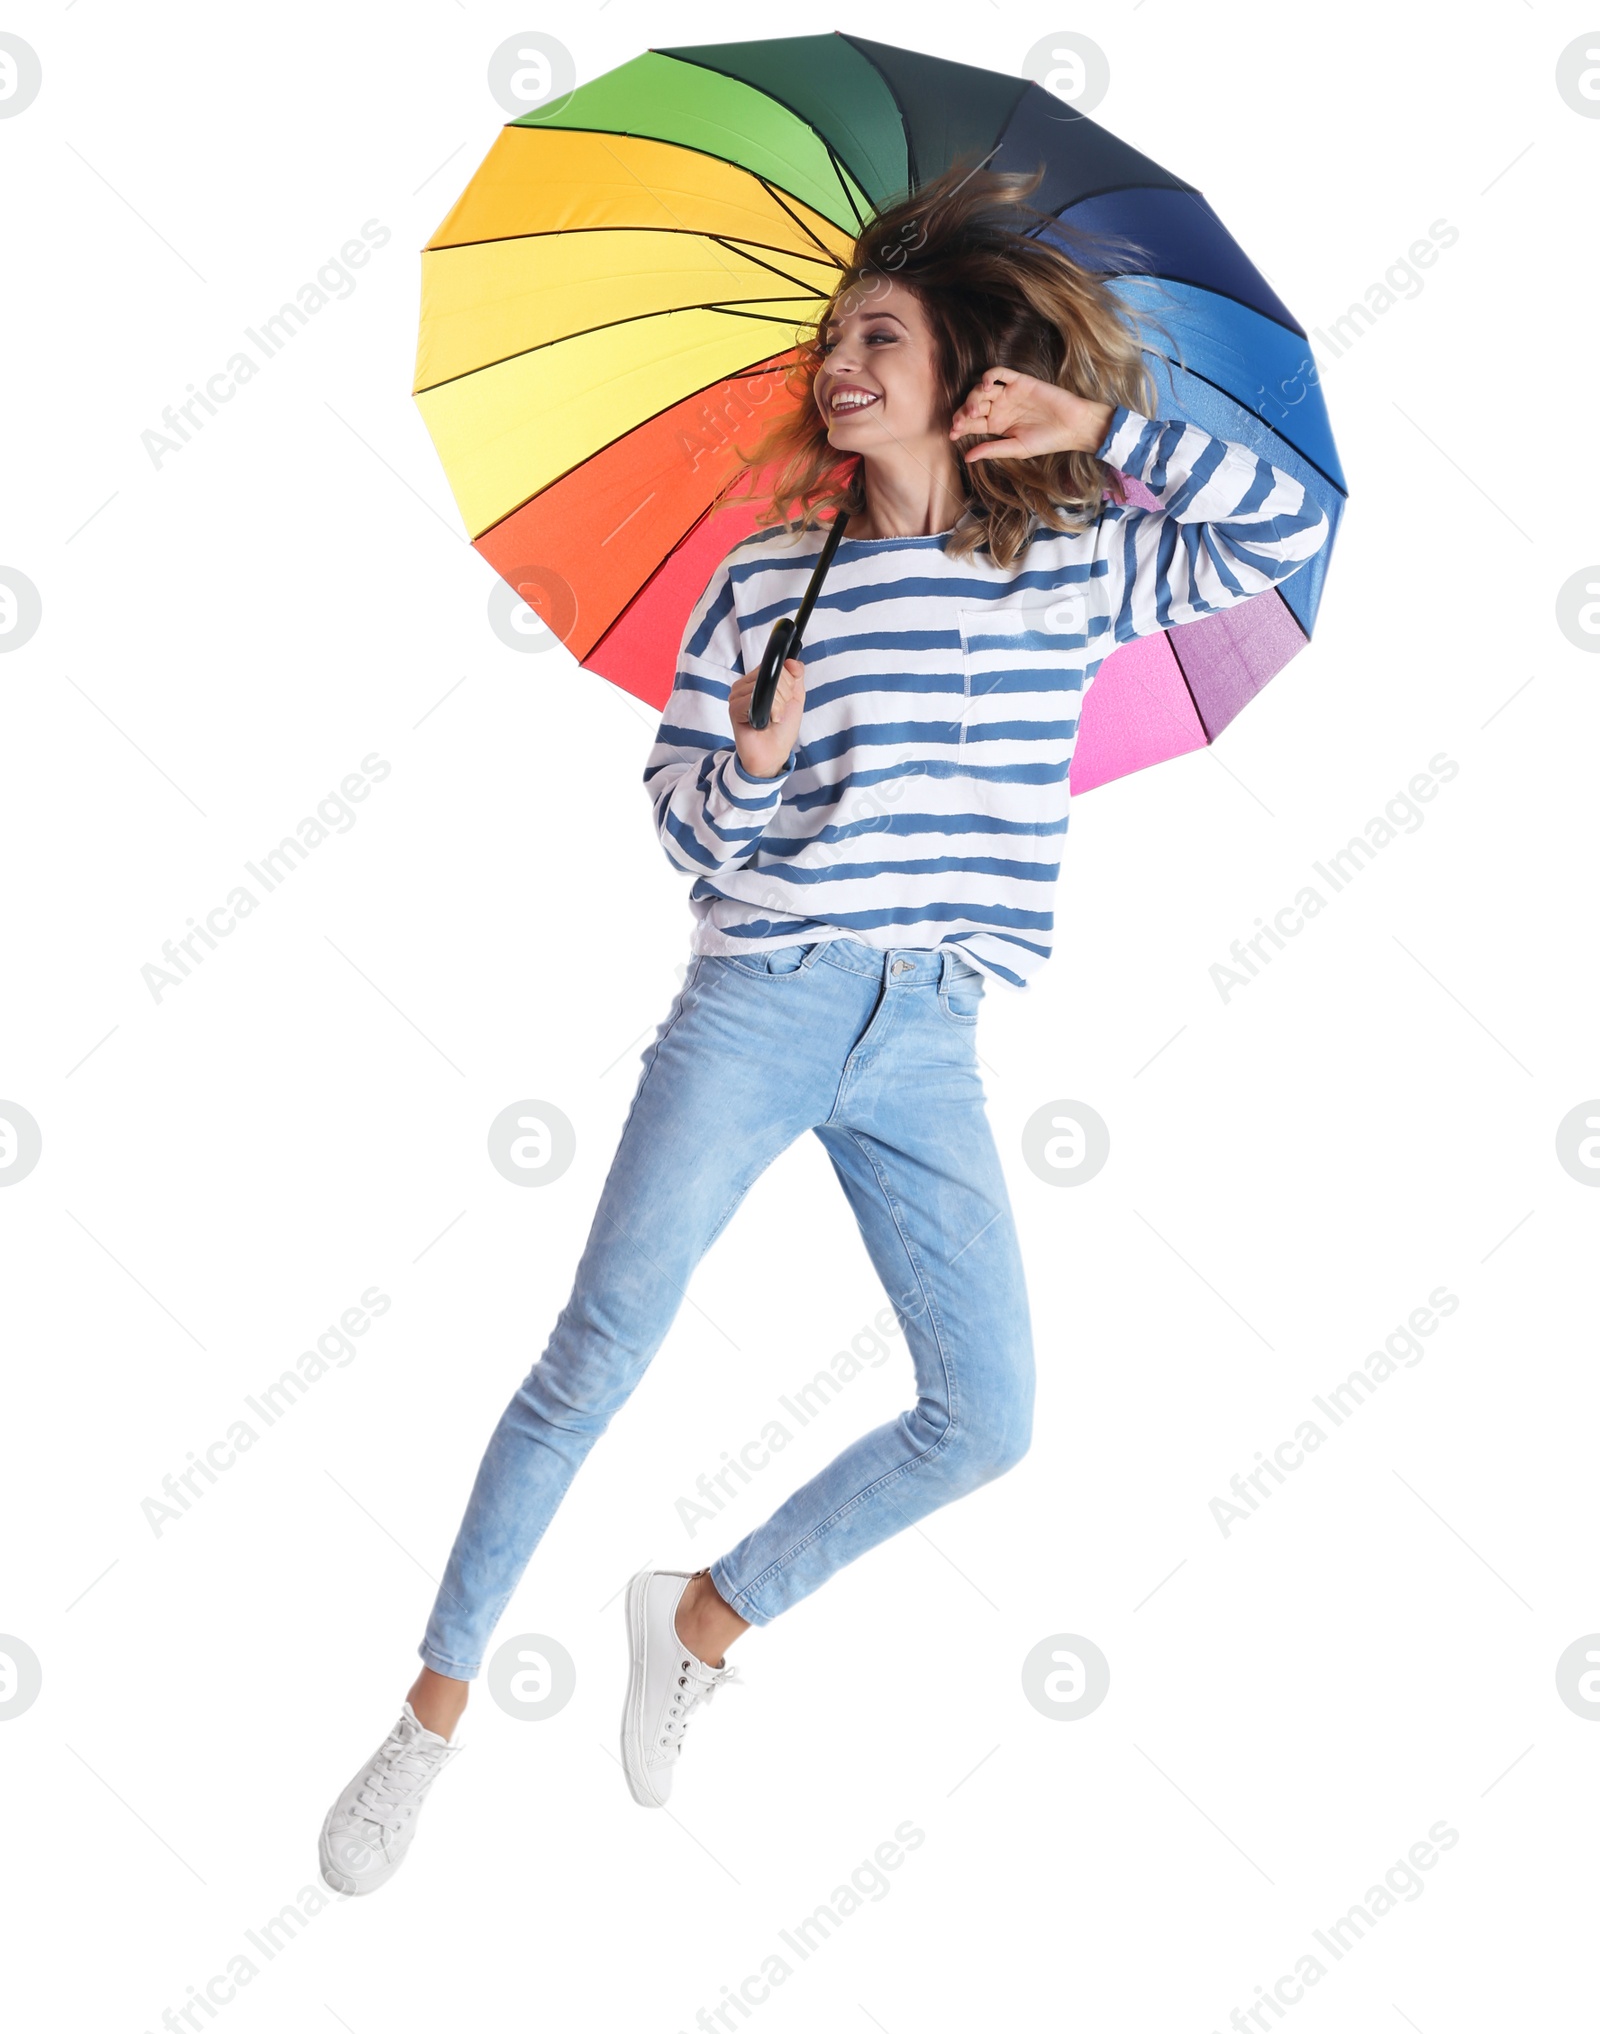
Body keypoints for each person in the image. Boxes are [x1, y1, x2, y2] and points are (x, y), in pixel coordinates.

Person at [317, 162, 1331, 1894]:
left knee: (988, 1412)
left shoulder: (1079, 564)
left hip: (934, 1027)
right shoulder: (771, 581)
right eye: (832, 339)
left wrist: (1100, 416)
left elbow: (1285, 532)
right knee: (594, 1360)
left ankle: (705, 1615)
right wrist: (757, 761)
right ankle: (429, 1711)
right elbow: (689, 838)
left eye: (879, 335)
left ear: (967, 373)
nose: (839, 361)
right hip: (762, 1002)